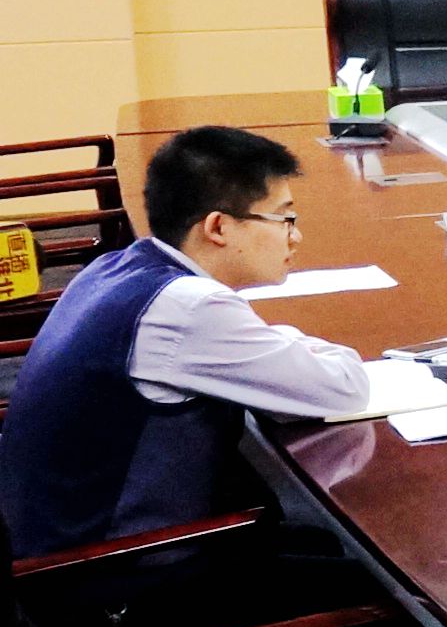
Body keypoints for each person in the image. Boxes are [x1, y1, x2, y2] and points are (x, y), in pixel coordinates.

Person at [0, 126, 371, 556]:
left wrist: (270, 341)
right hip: (111, 572)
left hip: (48, 535)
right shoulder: (191, 308)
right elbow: (344, 387)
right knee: (352, 570)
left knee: (312, 540)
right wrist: (288, 340)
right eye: (284, 219)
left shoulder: (116, 265)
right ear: (218, 227)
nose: (295, 235)